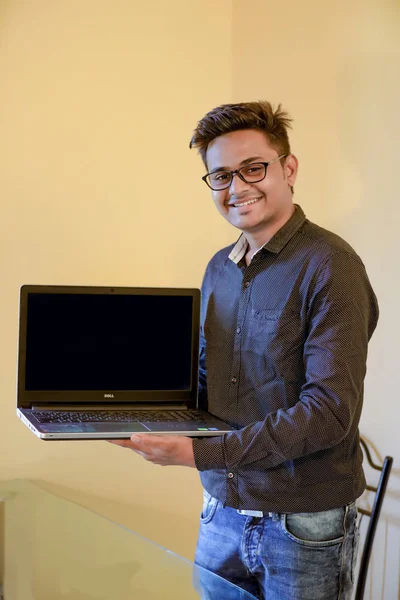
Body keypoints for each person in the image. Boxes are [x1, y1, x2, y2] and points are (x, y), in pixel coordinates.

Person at [111, 101, 379, 599]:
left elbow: (328, 413)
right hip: (222, 508)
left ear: (288, 167)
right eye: (221, 176)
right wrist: (124, 410)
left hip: (303, 522)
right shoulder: (220, 267)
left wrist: (198, 452)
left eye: (253, 167)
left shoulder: (331, 266)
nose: (237, 187)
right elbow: (208, 376)